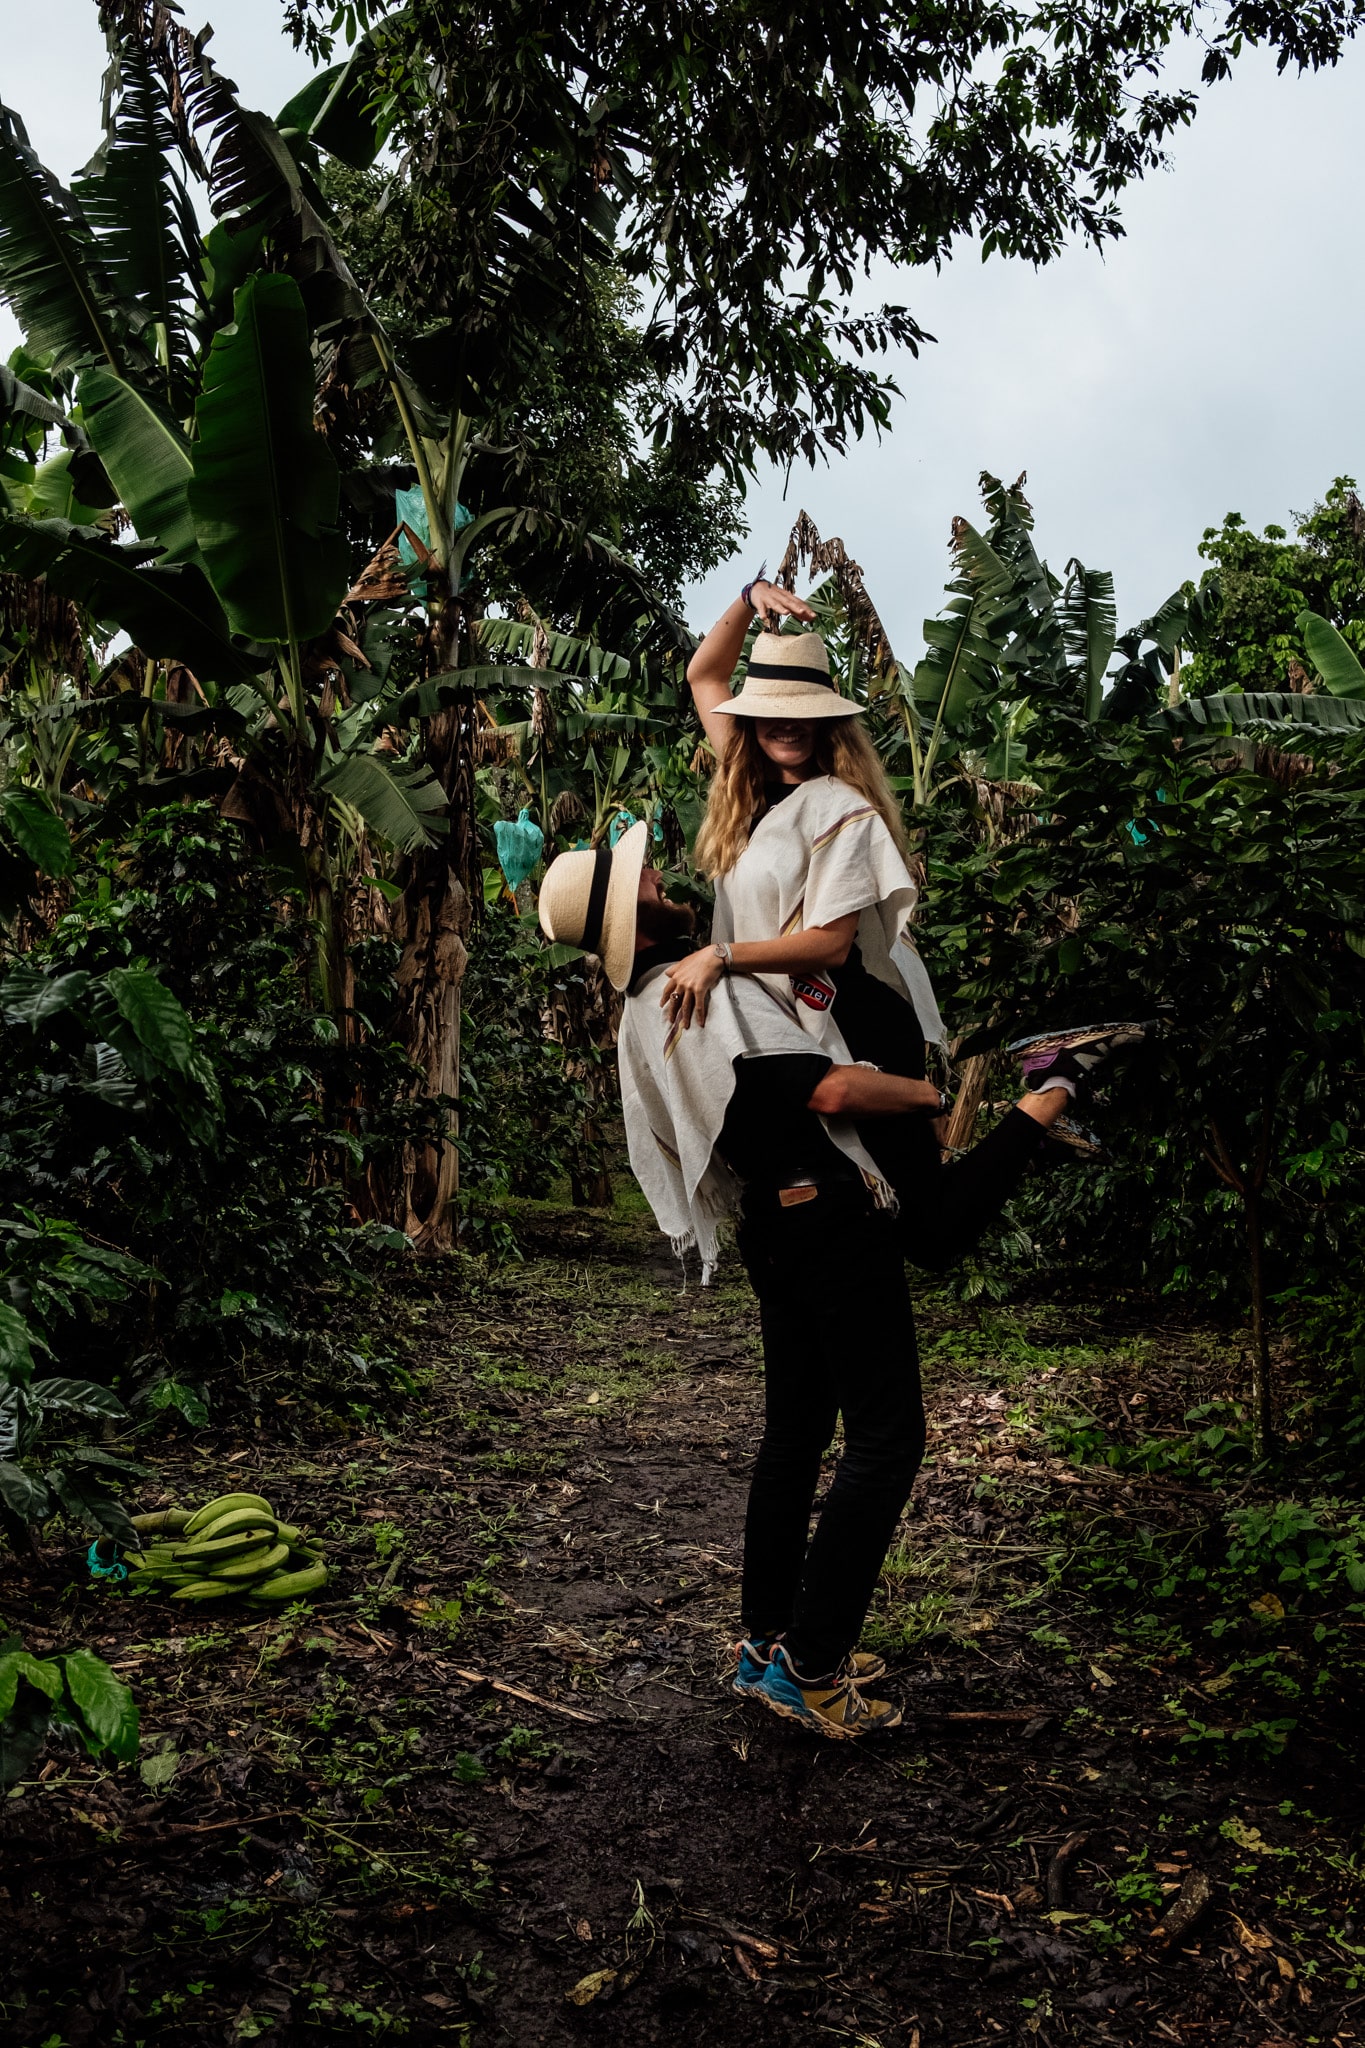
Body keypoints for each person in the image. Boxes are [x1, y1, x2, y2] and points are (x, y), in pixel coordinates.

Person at [537, 826, 1087, 1739]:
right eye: (646, 880)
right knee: (887, 1439)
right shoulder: (696, 992)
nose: (664, 881)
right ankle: (813, 1665)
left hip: (776, 1224)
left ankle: (766, 1642)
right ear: (632, 910)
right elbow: (825, 1093)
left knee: (795, 1437)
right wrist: (922, 1095)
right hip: (829, 1219)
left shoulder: (642, 1007)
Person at [666, 574, 1146, 1261]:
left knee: (930, 1234)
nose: (787, 722)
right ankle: (1045, 1088)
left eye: (805, 709)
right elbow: (704, 672)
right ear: (749, 715)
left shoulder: (840, 809)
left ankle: (1054, 1080)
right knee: (898, 1219)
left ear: (828, 717)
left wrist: (721, 957)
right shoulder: (745, 788)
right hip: (794, 1026)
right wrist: (748, 598)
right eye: (773, 706)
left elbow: (829, 947)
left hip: (853, 1016)